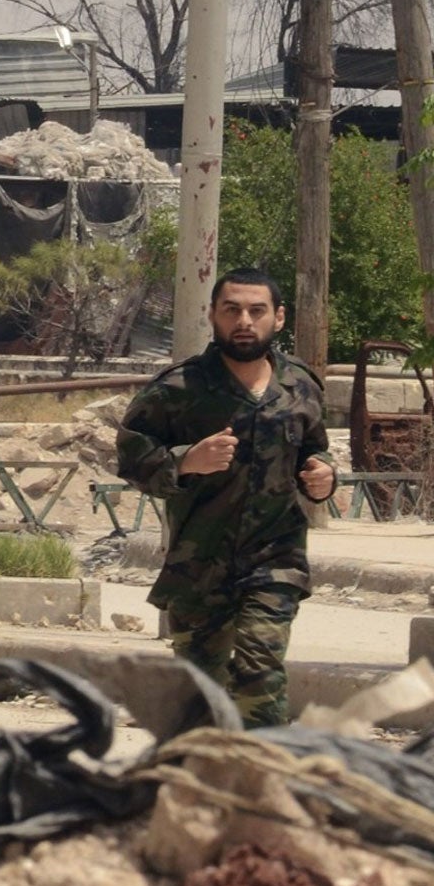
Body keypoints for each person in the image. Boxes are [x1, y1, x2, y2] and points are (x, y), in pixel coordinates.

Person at [116, 268, 335, 727]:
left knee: (259, 672)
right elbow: (132, 456)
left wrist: (322, 477)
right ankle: (194, 784)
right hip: (200, 562)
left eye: (257, 311)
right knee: (199, 693)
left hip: (275, 558)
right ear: (212, 315)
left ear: (278, 318)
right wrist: (185, 461)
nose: (244, 321)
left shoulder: (300, 387)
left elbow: (313, 451)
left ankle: (261, 781)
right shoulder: (179, 388)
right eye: (231, 310)